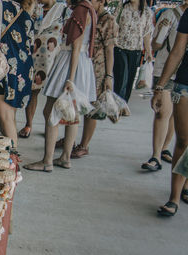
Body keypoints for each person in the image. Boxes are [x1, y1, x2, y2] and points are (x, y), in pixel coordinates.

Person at [24, 0, 97, 172]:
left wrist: (70, 79)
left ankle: (47, 160)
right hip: (82, 63)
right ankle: (65, 157)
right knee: (73, 114)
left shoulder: (80, 9)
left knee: (51, 111)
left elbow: (76, 45)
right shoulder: (89, 9)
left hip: (71, 61)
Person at [0, 0, 36, 152]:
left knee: (6, 120)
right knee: (10, 117)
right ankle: (12, 158)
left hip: (1, 68)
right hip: (23, 71)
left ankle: (14, 160)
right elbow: (30, 45)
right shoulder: (25, 13)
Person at [141, 1, 187, 171]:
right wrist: (161, 32)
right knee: (163, 113)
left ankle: (165, 147)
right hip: (165, 71)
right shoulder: (170, 15)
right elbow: (155, 45)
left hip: (182, 74)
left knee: (176, 116)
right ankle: (156, 155)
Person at [71, 0, 118, 158]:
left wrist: (109, 76)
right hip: (82, 65)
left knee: (91, 108)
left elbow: (110, 50)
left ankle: (84, 144)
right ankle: (70, 139)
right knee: (75, 104)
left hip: (97, 69)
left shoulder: (108, 20)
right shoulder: (87, 14)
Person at [19, 0, 69, 138]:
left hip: (53, 59)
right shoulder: (34, 9)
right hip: (34, 57)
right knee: (32, 91)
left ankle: (50, 127)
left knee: (51, 96)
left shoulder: (62, 10)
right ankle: (28, 124)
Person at [155, 10, 188, 217]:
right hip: (185, 83)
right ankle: (174, 196)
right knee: (184, 140)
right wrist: (160, 86)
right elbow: (177, 51)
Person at [113, 0, 154, 102]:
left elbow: (146, 33)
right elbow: (113, 24)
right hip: (120, 47)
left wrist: (149, 52)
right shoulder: (122, 7)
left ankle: (124, 103)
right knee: (121, 76)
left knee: (130, 79)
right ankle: (117, 104)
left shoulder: (147, 12)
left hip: (136, 50)